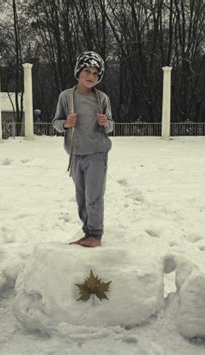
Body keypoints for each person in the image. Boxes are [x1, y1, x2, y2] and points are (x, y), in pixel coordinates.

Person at [52, 51, 114, 248]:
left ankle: (95, 233)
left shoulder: (102, 98)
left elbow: (111, 125)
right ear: (78, 73)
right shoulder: (66, 97)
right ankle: (87, 231)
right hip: (76, 155)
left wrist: (106, 122)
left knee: (94, 195)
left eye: (96, 73)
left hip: (97, 153)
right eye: (87, 71)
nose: (91, 76)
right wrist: (66, 124)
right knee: (81, 197)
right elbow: (55, 122)